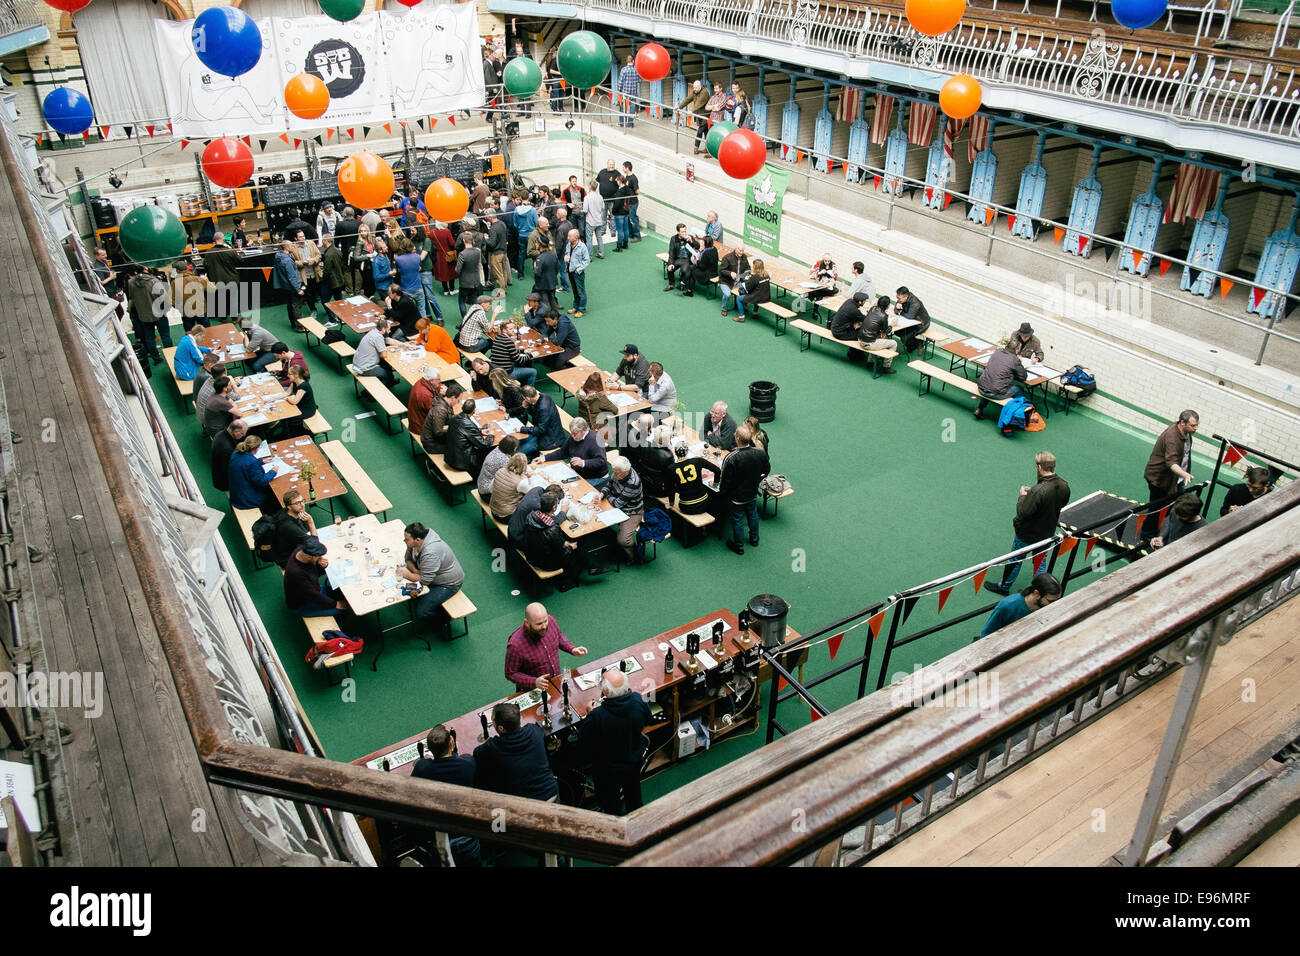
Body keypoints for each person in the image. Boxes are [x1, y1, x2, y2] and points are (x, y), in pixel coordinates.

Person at [986, 451, 1071, 596]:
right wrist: (1033, 494)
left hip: (1027, 533)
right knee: (1040, 562)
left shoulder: (1038, 491)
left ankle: (1004, 586)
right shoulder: (1063, 485)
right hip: (1047, 532)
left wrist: (1023, 496)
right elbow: (1057, 502)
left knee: (1015, 559)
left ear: (1039, 467)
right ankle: (1043, 592)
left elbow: (1023, 512)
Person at [575, 668, 652, 814]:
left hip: (607, 770)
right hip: (633, 761)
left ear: (605, 692)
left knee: (611, 807)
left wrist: (591, 714)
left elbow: (583, 743)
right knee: (634, 799)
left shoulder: (598, 716)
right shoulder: (637, 700)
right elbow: (648, 719)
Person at [409, 724, 481, 866]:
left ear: (429, 749)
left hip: (441, 841)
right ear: (452, 742)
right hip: (467, 837)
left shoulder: (422, 768)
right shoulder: (468, 763)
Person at [523, 488, 606, 591]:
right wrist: (571, 546)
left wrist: (567, 543)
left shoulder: (532, 515)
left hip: (530, 553)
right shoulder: (552, 528)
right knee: (576, 546)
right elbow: (560, 547)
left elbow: (553, 540)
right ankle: (566, 583)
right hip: (545, 562)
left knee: (570, 543)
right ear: (554, 508)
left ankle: (592, 566)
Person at [473, 702, 558, 802]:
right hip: (553, 794)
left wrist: (488, 743)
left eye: (493, 721)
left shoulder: (492, 747)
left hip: (529, 807)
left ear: (501, 728)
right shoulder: (534, 730)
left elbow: (477, 753)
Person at [397, 522, 465, 635]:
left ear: (417, 540)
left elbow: (424, 580)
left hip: (448, 583)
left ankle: (445, 619)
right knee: (412, 592)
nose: (405, 541)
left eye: (407, 539)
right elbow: (408, 559)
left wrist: (405, 574)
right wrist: (414, 571)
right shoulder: (415, 543)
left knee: (422, 611)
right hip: (432, 575)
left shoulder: (431, 553)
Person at [504, 603, 588, 692]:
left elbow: (559, 637)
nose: (544, 626)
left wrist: (572, 649)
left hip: (555, 683)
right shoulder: (515, 645)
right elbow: (511, 673)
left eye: (545, 621)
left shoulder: (550, 620)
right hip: (533, 691)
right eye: (539, 624)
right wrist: (534, 682)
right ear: (527, 623)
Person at [719, 425, 769, 554]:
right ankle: (754, 539)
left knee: (737, 519)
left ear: (737, 438)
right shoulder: (760, 453)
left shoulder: (731, 458)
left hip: (736, 496)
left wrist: (723, 495)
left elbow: (725, 480)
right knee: (753, 515)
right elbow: (766, 470)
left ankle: (739, 546)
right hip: (752, 492)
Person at [979, 573, 1062, 639]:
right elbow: (986, 635)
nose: (1054, 604)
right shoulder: (1008, 606)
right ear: (1037, 594)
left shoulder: (1045, 606)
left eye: (1057, 600)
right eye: (1050, 601)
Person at [284, 537, 347, 618]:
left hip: (312, 589)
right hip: (303, 604)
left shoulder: (302, 550)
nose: (321, 557)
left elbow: (313, 574)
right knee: (340, 610)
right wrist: (335, 604)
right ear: (309, 557)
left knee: (336, 592)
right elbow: (312, 594)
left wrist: (320, 564)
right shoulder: (296, 573)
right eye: (318, 556)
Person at [1144, 410, 1199, 501]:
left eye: (1197, 425)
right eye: (1193, 425)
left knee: (1174, 506)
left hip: (1176, 479)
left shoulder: (1186, 432)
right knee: (1157, 510)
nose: (1196, 428)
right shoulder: (1172, 437)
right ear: (1182, 423)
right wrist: (1184, 474)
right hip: (1160, 480)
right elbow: (1171, 462)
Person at [601, 455, 644, 563]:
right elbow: (609, 484)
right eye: (614, 471)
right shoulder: (618, 471)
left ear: (626, 472)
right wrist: (602, 493)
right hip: (617, 502)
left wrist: (607, 496)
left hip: (632, 511)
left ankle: (634, 556)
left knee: (623, 540)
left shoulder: (633, 483)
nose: (614, 475)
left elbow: (617, 504)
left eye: (616, 473)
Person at [542, 416, 608, 482]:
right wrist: (545, 458)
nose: (572, 436)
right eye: (571, 433)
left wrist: (583, 462)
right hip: (578, 473)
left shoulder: (596, 440)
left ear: (584, 430)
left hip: (595, 477)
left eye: (575, 433)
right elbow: (563, 452)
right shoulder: (573, 437)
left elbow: (601, 461)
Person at [974, 342, 1029, 420]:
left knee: (991, 383)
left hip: (981, 388)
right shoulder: (1015, 360)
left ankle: (979, 409)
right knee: (1019, 389)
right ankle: (1018, 416)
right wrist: (1018, 363)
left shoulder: (997, 352)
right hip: (995, 393)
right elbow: (1023, 377)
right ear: (1016, 350)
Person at [127, 267, 171, 363]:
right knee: (165, 336)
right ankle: (171, 356)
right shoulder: (154, 281)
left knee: (149, 337)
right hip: (159, 313)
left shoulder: (131, 282)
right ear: (145, 269)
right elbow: (164, 297)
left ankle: (156, 358)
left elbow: (132, 298)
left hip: (143, 315)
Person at [228, 435, 278, 515]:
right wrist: (273, 471)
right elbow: (261, 482)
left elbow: (244, 464)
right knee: (273, 497)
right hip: (246, 499)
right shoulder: (252, 463)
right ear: (256, 448)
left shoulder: (236, 453)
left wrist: (260, 461)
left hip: (236, 493)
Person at [446, 397, 494, 477]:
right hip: (461, 462)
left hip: (449, 456)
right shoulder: (469, 425)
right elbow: (484, 444)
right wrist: (491, 435)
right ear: (474, 410)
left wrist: (479, 430)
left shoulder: (454, 418)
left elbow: (463, 430)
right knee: (489, 450)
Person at [271, 490, 316, 567]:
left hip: (287, 549)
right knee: (322, 560)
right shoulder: (289, 526)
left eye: (302, 501)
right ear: (289, 506)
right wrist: (310, 522)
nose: (302, 505)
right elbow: (315, 544)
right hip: (288, 559)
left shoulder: (286, 512)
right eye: (297, 503)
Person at [488, 320, 539, 387]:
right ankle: (528, 391)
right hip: (506, 373)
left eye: (513, 328)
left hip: (497, 369)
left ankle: (523, 381)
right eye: (511, 329)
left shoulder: (497, 337)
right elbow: (519, 360)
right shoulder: (509, 342)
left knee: (520, 364)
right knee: (533, 372)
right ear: (504, 330)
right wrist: (531, 355)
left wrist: (522, 351)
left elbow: (509, 352)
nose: (513, 330)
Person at [519, 385, 565, 457]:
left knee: (521, 450)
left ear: (527, 398)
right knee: (522, 439)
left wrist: (522, 429)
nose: (523, 400)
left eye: (524, 398)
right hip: (547, 431)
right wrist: (527, 407)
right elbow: (536, 415)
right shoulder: (543, 396)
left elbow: (540, 430)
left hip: (551, 440)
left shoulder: (543, 408)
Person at [273, 240, 308, 332]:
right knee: (296, 306)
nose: (293, 247)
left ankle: (293, 323)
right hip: (293, 287)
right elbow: (292, 276)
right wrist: (298, 289)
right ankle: (300, 327)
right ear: (286, 247)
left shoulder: (278, 257)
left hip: (285, 286)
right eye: (292, 245)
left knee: (290, 305)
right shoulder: (287, 260)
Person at [352, 316, 398, 388]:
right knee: (388, 375)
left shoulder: (374, 331)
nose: (390, 331)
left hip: (358, 363)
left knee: (386, 365)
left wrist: (404, 344)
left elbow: (388, 340)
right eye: (389, 329)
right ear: (383, 329)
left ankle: (391, 380)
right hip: (365, 368)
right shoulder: (378, 337)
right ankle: (369, 393)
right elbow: (383, 355)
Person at [420, 382, 463, 456]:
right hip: (431, 444)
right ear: (452, 398)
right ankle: (432, 466)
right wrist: (451, 426)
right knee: (461, 446)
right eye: (458, 400)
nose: (458, 403)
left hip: (434, 438)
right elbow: (438, 431)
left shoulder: (444, 402)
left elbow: (448, 418)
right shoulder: (440, 410)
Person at [671, 439, 712, 515]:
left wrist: (671, 503)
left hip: (686, 507)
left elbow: (670, 489)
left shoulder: (671, 468)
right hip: (704, 504)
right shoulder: (698, 460)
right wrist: (715, 483)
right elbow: (717, 470)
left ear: (675, 453)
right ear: (687, 452)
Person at [858, 295, 897, 372]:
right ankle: (886, 366)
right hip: (869, 344)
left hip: (860, 339)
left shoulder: (872, 309)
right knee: (894, 343)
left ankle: (870, 362)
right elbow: (886, 331)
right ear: (888, 306)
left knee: (878, 337)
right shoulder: (884, 316)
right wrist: (892, 325)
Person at [576, 372, 618, 437]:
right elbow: (615, 410)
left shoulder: (581, 393)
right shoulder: (598, 397)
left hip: (583, 422)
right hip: (595, 427)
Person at [211, 419, 247, 493]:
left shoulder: (221, 433)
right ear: (236, 432)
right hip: (224, 482)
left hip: (219, 472)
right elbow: (231, 469)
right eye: (242, 434)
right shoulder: (227, 449)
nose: (244, 436)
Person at [478, 434, 519, 500]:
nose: (516, 449)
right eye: (515, 447)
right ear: (511, 448)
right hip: (488, 494)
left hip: (481, 486)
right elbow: (510, 477)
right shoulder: (504, 459)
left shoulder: (497, 449)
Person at [490, 452, 530, 520]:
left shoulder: (500, 471)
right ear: (524, 466)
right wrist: (528, 478)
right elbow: (532, 492)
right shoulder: (520, 482)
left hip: (493, 509)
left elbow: (491, 489)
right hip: (507, 516)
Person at [293, 230, 323, 317]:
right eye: (300, 237)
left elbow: (319, 255)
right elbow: (293, 262)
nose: (303, 238)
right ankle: (313, 310)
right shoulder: (293, 248)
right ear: (296, 238)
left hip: (315, 273)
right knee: (308, 294)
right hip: (304, 275)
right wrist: (303, 262)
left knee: (321, 292)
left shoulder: (311, 243)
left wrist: (312, 260)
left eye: (303, 236)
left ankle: (328, 310)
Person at [893, 286, 932, 353]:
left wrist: (900, 312)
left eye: (899, 298)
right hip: (911, 322)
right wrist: (897, 308)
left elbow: (909, 316)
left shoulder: (915, 303)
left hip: (922, 324)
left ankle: (917, 344)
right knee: (897, 332)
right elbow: (896, 311)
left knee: (904, 338)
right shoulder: (901, 299)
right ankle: (915, 343)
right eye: (897, 297)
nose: (898, 299)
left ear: (905, 296)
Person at [454, 235, 483, 319]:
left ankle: (465, 319)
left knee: (462, 301)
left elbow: (457, 270)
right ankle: (475, 318)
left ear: (464, 241)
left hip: (464, 282)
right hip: (475, 280)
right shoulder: (478, 252)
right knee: (474, 300)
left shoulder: (462, 254)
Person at [718, 243, 750, 318]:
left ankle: (742, 306)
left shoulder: (744, 257)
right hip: (726, 282)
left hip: (739, 281)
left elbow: (748, 267)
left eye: (743, 251)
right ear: (736, 249)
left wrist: (748, 273)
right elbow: (721, 270)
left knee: (746, 290)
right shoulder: (727, 258)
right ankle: (724, 308)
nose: (742, 253)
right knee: (727, 294)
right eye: (740, 251)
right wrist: (730, 273)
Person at [201, 375, 238, 439]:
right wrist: (234, 407)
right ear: (224, 388)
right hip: (218, 431)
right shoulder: (221, 401)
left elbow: (232, 402)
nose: (231, 385)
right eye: (229, 385)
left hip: (213, 424)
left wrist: (234, 406)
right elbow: (238, 413)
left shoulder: (218, 394)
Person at [664, 223, 698, 292]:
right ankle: (671, 284)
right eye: (682, 232)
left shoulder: (689, 237)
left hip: (687, 259)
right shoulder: (673, 239)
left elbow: (698, 246)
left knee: (685, 270)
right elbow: (671, 252)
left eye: (685, 231)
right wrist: (670, 263)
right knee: (669, 268)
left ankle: (682, 283)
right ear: (678, 232)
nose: (684, 233)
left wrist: (691, 241)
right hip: (678, 258)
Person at [407, 367, 441, 436]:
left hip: (416, 420)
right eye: (438, 379)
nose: (440, 381)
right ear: (431, 380)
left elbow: (435, 386)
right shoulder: (425, 395)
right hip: (420, 426)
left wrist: (440, 388)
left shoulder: (422, 382)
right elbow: (434, 414)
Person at [563, 229, 589, 317]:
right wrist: (566, 257)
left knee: (581, 291)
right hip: (570, 271)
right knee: (574, 290)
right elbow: (567, 253)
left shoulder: (582, 247)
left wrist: (578, 270)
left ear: (576, 237)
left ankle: (581, 309)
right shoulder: (568, 245)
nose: (568, 238)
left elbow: (586, 260)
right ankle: (576, 306)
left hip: (578, 273)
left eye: (569, 236)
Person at [532, 237, 561, 316]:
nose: (535, 244)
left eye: (537, 243)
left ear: (540, 245)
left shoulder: (540, 258)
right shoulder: (553, 254)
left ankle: (548, 320)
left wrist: (535, 267)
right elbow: (558, 268)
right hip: (552, 282)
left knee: (546, 304)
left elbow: (537, 273)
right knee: (553, 301)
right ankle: (556, 317)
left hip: (543, 284)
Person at [430, 220, 458, 295]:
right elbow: (452, 243)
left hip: (438, 255)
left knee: (442, 272)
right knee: (451, 271)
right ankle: (452, 290)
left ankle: (445, 290)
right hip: (448, 254)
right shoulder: (447, 231)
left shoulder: (432, 232)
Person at [582, 179, 607, 260]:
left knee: (589, 239)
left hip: (590, 221)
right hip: (598, 221)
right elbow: (603, 207)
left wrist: (581, 210)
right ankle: (601, 253)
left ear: (590, 187)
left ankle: (589, 256)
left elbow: (585, 210)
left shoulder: (587, 197)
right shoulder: (600, 197)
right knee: (599, 237)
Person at [320, 234, 346, 307]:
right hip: (339, 280)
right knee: (339, 300)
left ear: (325, 241)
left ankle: (333, 318)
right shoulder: (337, 250)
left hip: (331, 282)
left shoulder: (328, 254)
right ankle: (341, 317)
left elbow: (327, 271)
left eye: (322, 240)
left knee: (325, 301)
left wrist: (323, 278)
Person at [616, 54, 641, 127]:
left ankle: (622, 123)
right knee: (632, 109)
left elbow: (620, 82)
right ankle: (630, 124)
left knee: (622, 108)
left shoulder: (624, 70)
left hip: (625, 93)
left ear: (627, 61)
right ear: (633, 61)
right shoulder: (636, 70)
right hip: (633, 93)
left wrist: (619, 92)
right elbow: (639, 80)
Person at [621, 161, 642, 242]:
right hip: (628, 203)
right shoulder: (627, 177)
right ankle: (631, 234)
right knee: (628, 219)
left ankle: (637, 236)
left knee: (633, 219)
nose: (622, 168)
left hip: (633, 203)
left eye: (623, 167)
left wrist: (631, 193)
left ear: (627, 168)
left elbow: (637, 191)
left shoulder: (633, 178)